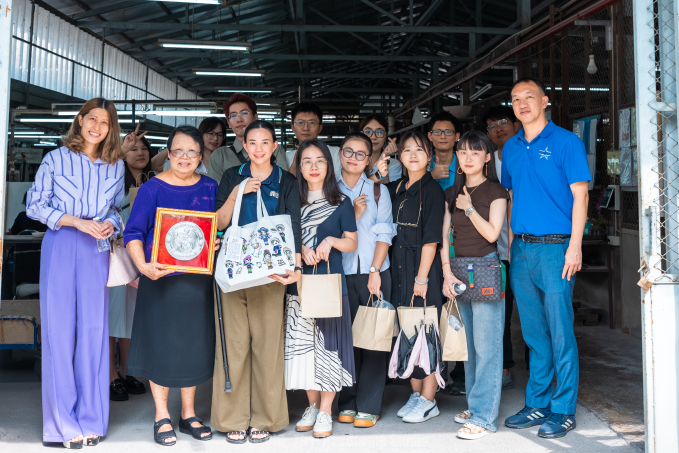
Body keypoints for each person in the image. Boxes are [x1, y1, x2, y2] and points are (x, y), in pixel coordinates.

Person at [26, 97, 127, 449]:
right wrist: (76, 222)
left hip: (96, 249)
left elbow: (116, 208)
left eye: (105, 122)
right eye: (92, 119)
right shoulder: (55, 158)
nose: (97, 127)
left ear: (111, 129)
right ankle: (61, 425)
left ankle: (92, 419)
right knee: (58, 332)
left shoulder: (116, 165)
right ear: (80, 120)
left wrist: (111, 224)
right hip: (61, 243)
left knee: (94, 332)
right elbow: (35, 205)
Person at [502, 78, 590, 438]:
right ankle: (537, 403)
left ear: (544, 101)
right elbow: (511, 197)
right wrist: (510, 246)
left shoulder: (567, 142)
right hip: (521, 249)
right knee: (534, 333)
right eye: (515, 99)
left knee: (560, 331)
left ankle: (563, 409)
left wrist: (575, 245)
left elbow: (581, 196)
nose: (522, 104)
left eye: (529, 97)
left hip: (556, 248)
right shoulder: (510, 147)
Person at [124, 125, 219, 446]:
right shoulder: (152, 189)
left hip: (197, 282)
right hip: (159, 279)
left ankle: (188, 413)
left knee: (193, 346)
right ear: (168, 153)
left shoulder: (209, 187)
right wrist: (143, 266)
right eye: (178, 150)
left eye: (192, 151)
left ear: (201, 156)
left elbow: (215, 228)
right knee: (161, 346)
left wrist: (216, 241)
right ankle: (161, 414)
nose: (184, 157)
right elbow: (133, 233)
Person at [211, 120, 302, 444]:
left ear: (275, 146)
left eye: (265, 142)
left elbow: (293, 225)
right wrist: (237, 193)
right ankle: (232, 418)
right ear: (244, 145)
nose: (259, 148)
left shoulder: (286, 180)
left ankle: (266, 417)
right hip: (233, 273)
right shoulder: (230, 176)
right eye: (252, 142)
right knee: (233, 345)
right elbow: (218, 223)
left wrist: (296, 268)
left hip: (271, 274)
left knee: (267, 346)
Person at [285, 139, 358, 438]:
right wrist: (301, 248)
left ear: (329, 165)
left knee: (329, 348)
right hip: (299, 285)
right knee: (304, 348)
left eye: (319, 161)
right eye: (307, 161)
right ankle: (312, 406)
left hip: (329, 284)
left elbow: (352, 242)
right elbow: (283, 237)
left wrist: (330, 241)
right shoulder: (292, 201)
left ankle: (326, 410)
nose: (313, 167)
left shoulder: (341, 201)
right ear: (299, 167)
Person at [441, 131, 509, 439]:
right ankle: (476, 405)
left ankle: (484, 417)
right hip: (457, 271)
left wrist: (469, 208)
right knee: (468, 347)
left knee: (487, 347)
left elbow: (493, 234)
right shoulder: (451, 191)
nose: (468, 158)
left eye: (475, 152)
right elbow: (444, 237)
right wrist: (446, 272)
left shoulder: (496, 191)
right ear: (457, 157)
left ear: (487, 157)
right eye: (463, 152)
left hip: (485, 269)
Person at [335, 132, 396, 428]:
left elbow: (385, 232)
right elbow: (322, 233)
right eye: (348, 151)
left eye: (361, 154)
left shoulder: (378, 191)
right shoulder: (328, 190)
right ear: (340, 154)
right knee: (344, 340)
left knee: (373, 340)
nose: (354, 158)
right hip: (339, 273)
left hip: (374, 273)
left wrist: (375, 270)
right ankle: (347, 402)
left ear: (368, 159)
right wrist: (351, 214)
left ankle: (369, 405)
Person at [390, 131, 445, 424]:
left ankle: (429, 399)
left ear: (429, 156)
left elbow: (431, 239)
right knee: (407, 332)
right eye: (407, 150)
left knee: (428, 334)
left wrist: (422, 278)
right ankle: (415, 394)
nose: (413, 155)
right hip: (399, 267)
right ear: (400, 156)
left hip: (422, 269)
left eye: (419, 150)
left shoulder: (432, 190)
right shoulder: (397, 188)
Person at [108, 135, 154, 402]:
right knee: (112, 314)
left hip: (142, 258)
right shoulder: (115, 182)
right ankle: (110, 374)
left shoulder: (153, 181)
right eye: (133, 148)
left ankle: (127, 371)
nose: (140, 152)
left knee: (131, 315)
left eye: (144, 148)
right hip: (115, 255)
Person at [483, 105, 522, 387]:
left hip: (525, 247)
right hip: (496, 252)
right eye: (491, 126)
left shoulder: (524, 153)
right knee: (501, 313)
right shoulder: (486, 162)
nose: (498, 128)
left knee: (533, 315)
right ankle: (505, 368)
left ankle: (539, 374)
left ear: (515, 124)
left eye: (502, 121)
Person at [207, 93, 289, 182]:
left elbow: (284, 184)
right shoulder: (220, 156)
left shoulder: (274, 150)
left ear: (255, 117)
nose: (239, 119)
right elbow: (216, 189)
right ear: (229, 123)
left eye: (244, 113)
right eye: (233, 115)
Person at [151, 117, 227, 175]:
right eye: (210, 133)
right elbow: (153, 165)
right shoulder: (186, 161)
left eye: (220, 135)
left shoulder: (227, 162)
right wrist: (175, 144)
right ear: (201, 134)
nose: (215, 138)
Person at [286, 103, 343, 178]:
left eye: (311, 123)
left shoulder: (336, 154)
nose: (305, 128)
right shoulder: (285, 158)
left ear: (320, 128)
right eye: (300, 122)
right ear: (293, 127)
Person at [359, 114, 401, 183]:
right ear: (361, 135)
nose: (373, 137)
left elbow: (389, 189)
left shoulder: (394, 165)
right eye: (368, 132)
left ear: (385, 137)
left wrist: (384, 158)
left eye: (379, 132)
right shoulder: (352, 160)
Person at [429, 111, 461, 191]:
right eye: (438, 132)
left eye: (448, 132)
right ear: (430, 136)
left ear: (456, 136)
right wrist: (431, 177)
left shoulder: (465, 166)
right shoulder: (422, 166)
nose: (443, 136)